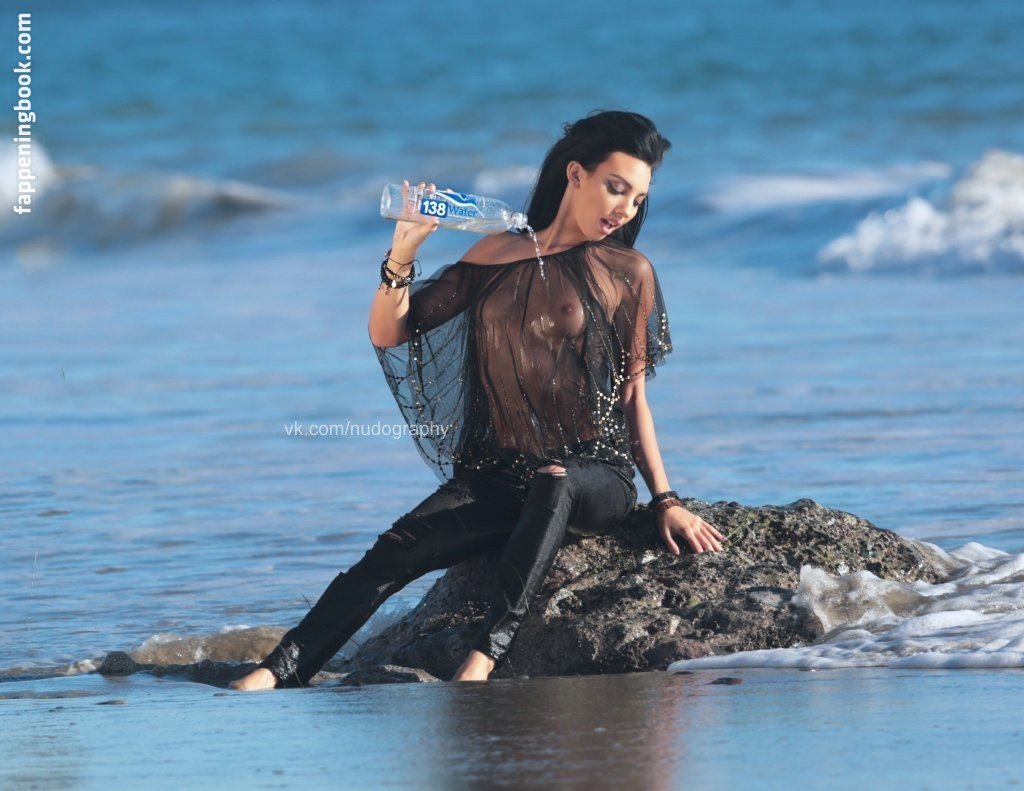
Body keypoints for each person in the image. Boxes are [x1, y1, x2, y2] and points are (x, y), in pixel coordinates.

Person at [231, 109, 724, 691]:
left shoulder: (628, 272)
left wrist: (665, 499)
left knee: (556, 479)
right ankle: (278, 670)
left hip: (594, 476)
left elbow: (633, 397)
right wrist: (402, 253)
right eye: (617, 188)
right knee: (394, 551)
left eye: (638, 199)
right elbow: (391, 332)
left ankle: (483, 658)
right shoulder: (494, 252)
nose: (626, 209)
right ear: (575, 175)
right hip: (497, 475)